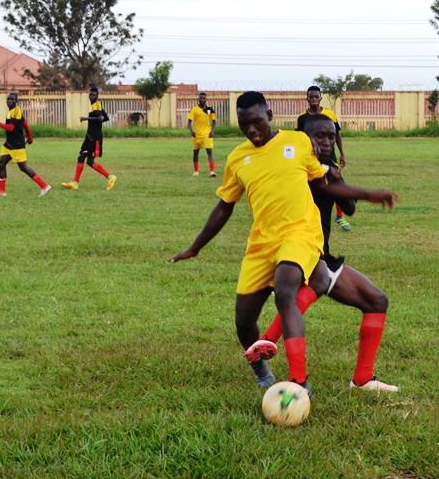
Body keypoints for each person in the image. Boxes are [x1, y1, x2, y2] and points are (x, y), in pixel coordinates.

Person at [168, 92, 396, 394]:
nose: (251, 130)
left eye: (257, 122)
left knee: (287, 288)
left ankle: (299, 384)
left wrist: (368, 194)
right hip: (262, 244)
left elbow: (324, 184)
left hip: (301, 236)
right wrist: (195, 247)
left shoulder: (297, 143)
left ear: (270, 115)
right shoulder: (237, 158)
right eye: (244, 125)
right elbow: (224, 206)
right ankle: (262, 368)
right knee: (243, 321)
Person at [255, 115, 399, 392]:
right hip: (296, 251)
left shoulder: (326, 167)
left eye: (330, 137)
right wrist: (369, 193)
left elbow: (349, 207)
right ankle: (270, 347)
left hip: (320, 253)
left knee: (376, 300)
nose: (325, 142)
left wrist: (337, 176)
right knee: (318, 280)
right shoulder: (295, 165)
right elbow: (324, 187)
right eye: (318, 136)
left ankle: (362, 380)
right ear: (300, 136)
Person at [297, 85, 351, 231]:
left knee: (337, 184)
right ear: (307, 99)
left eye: (316, 97)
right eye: (311, 97)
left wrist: (342, 153)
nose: (314, 99)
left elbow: (337, 134)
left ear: (320, 98)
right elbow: (298, 139)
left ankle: (340, 216)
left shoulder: (330, 114)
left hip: (329, 156)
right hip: (311, 159)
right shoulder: (302, 118)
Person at [0, 93, 52, 197]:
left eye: (12, 100)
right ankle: (2, 192)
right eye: (8, 99)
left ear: (16, 101)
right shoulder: (11, 111)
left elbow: (10, 128)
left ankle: (44, 186)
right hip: (9, 144)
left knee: (23, 167)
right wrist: (30, 136)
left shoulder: (16, 111)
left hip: (16, 144)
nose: (9, 101)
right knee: (1, 164)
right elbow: (25, 123)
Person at [62, 87, 117, 190]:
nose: (91, 96)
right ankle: (75, 183)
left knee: (90, 161)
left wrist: (86, 118)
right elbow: (106, 118)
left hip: (95, 137)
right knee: (81, 158)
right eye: (90, 95)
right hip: (90, 136)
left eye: (93, 95)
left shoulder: (97, 104)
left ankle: (110, 177)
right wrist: (95, 123)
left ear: (97, 96)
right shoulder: (95, 106)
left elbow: (100, 118)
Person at [188, 92, 217, 177]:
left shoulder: (209, 109)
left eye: (204, 98)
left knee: (210, 151)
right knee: (196, 152)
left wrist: (212, 131)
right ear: (198, 99)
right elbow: (189, 122)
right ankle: (196, 171)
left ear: (206, 99)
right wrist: (191, 131)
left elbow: (214, 121)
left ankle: (212, 171)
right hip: (197, 134)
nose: (202, 99)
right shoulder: (194, 109)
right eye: (201, 98)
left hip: (207, 134)